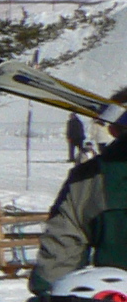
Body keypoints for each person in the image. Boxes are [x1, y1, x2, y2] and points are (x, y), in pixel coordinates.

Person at [36, 122, 127, 289]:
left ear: (113, 130)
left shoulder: (89, 179)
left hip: (114, 299)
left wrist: (50, 293)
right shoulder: (89, 177)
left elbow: (57, 264)